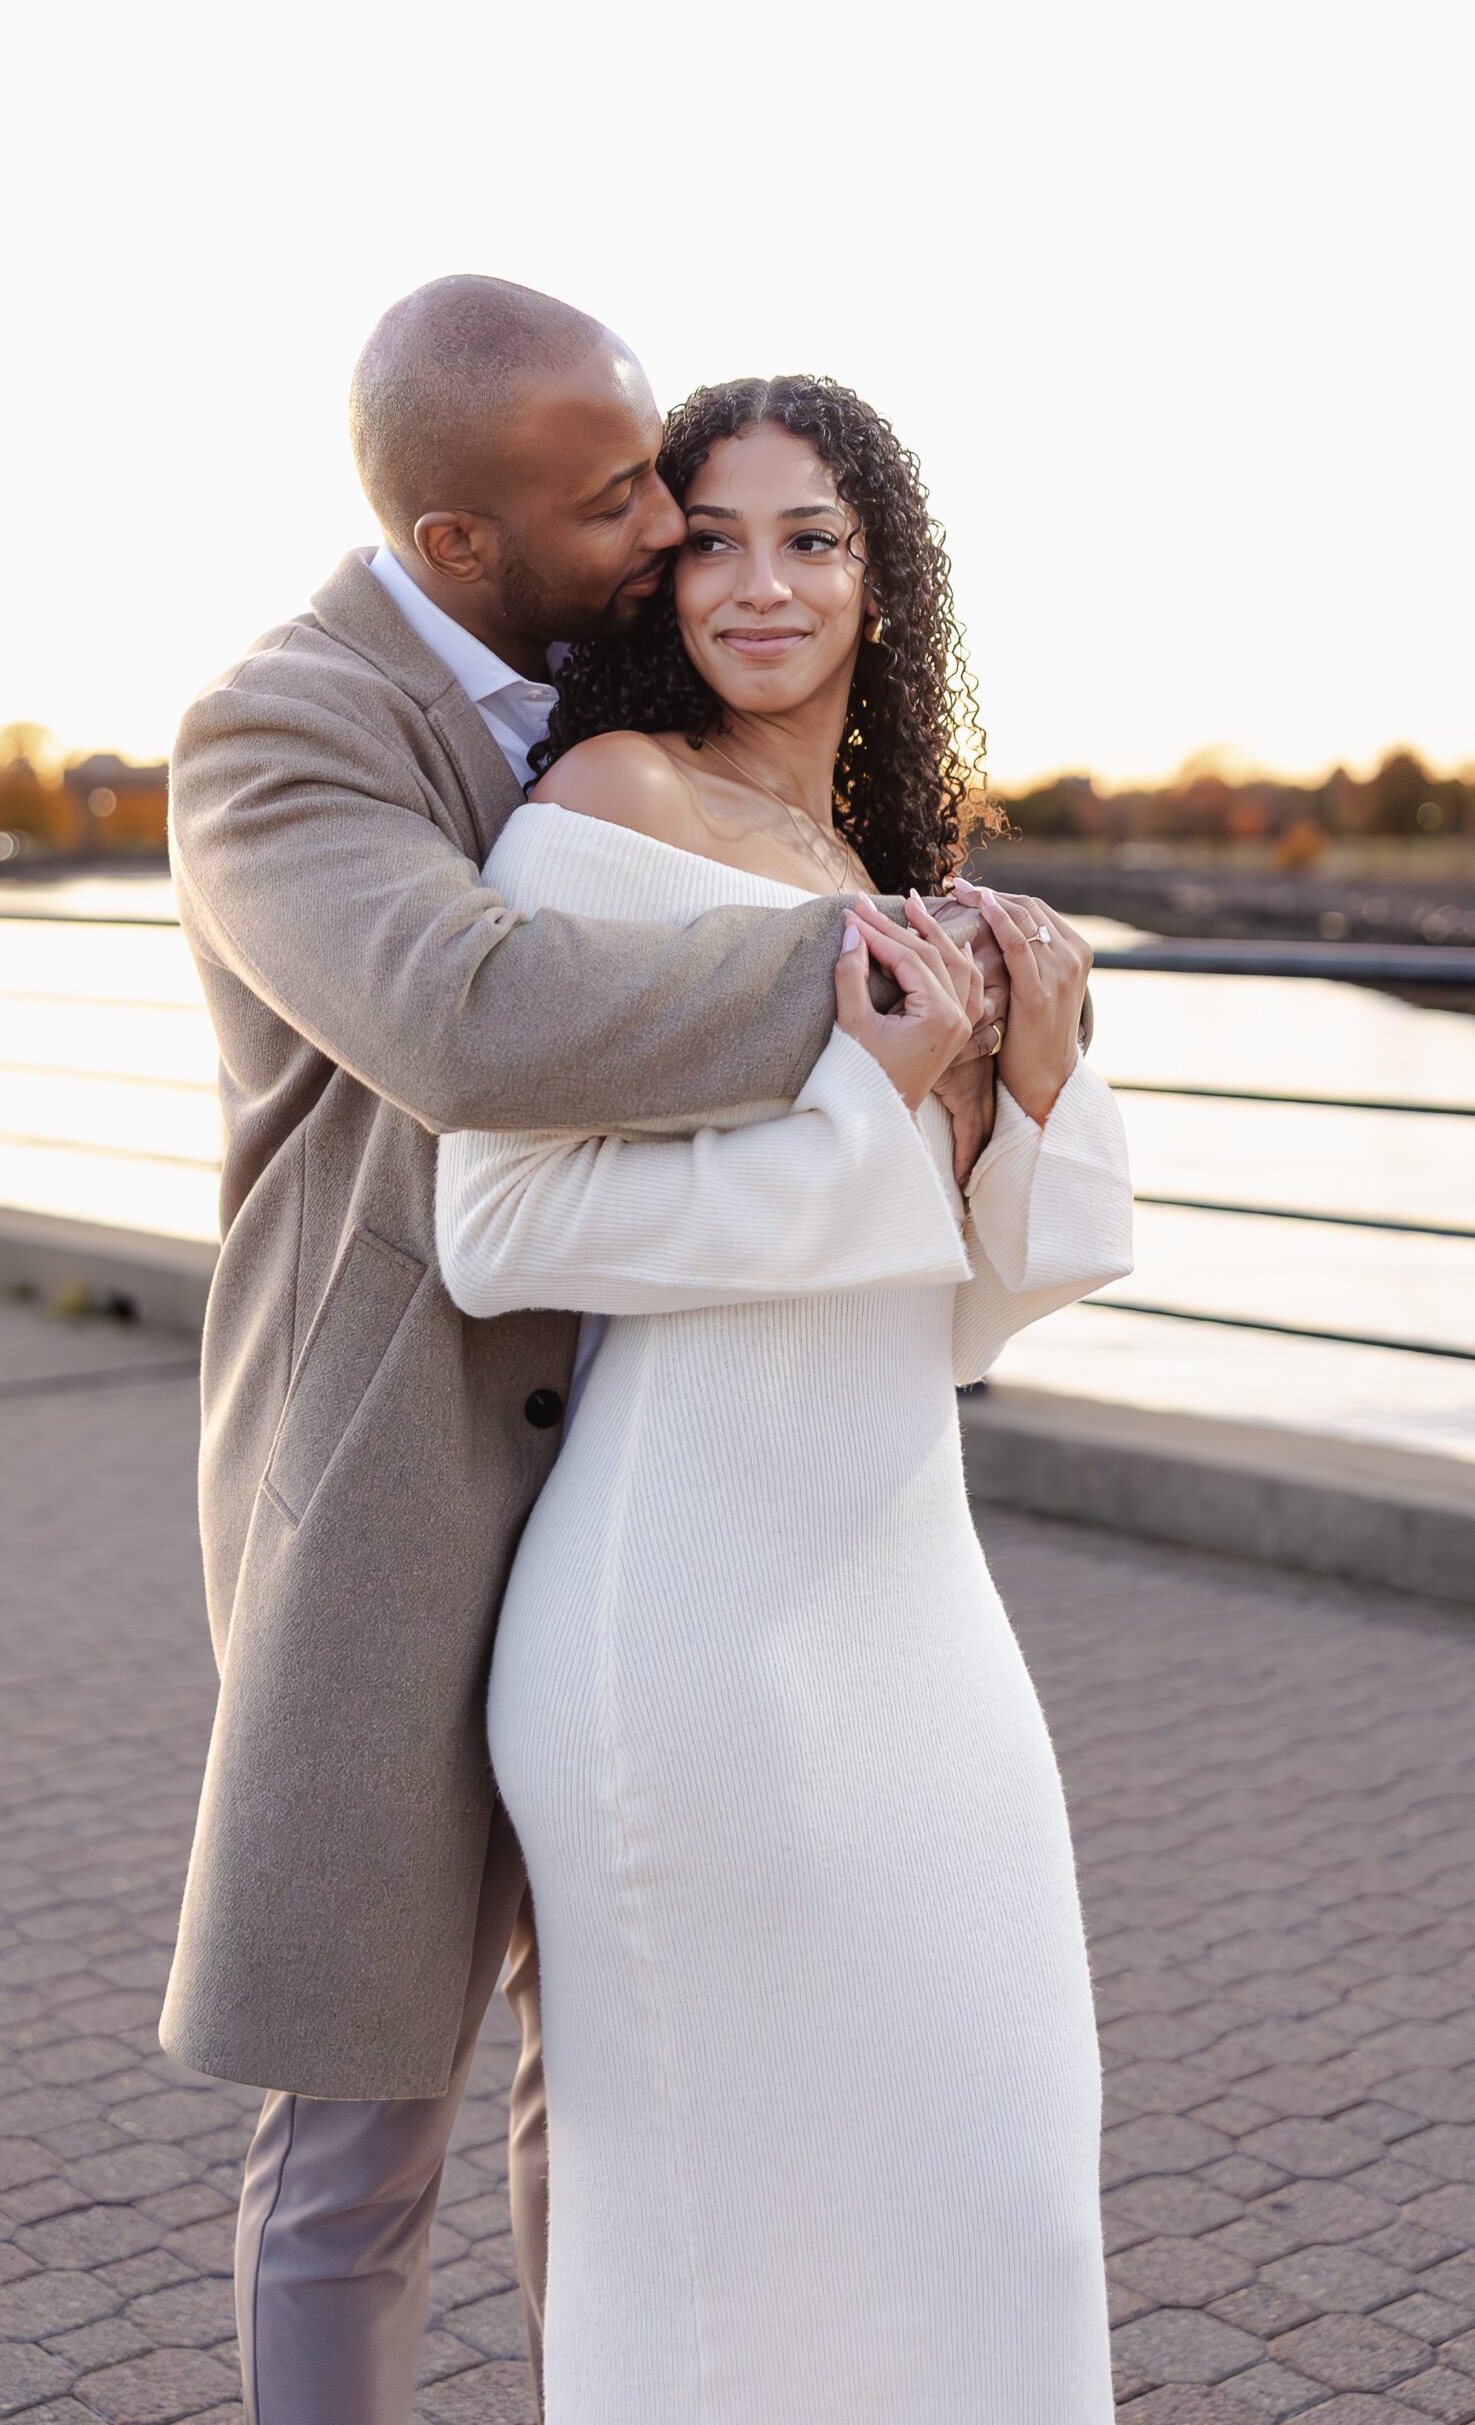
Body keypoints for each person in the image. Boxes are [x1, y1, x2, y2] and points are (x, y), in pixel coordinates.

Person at [160, 284, 1008, 2425]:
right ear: (459, 537)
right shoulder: (281, 731)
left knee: (619, 2082)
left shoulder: (598, 687)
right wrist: (867, 962)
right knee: (360, 2129)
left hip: (644, 1498)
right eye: (616, 490)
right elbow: (468, 1020)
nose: (661, 521)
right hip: (395, 1494)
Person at [434, 375, 1135, 2422]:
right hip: (689, 1613)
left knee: (996, 2183)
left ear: (879, 580)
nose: (760, 580)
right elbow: (498, 1226)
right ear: (658, 577)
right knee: (731, 2229)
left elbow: (953, 1318)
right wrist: (870, 1094)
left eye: (809, 536)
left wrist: (1034, 1078)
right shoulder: (594, 816)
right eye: (712, 537)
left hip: (907, 1591)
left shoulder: (871, 858)